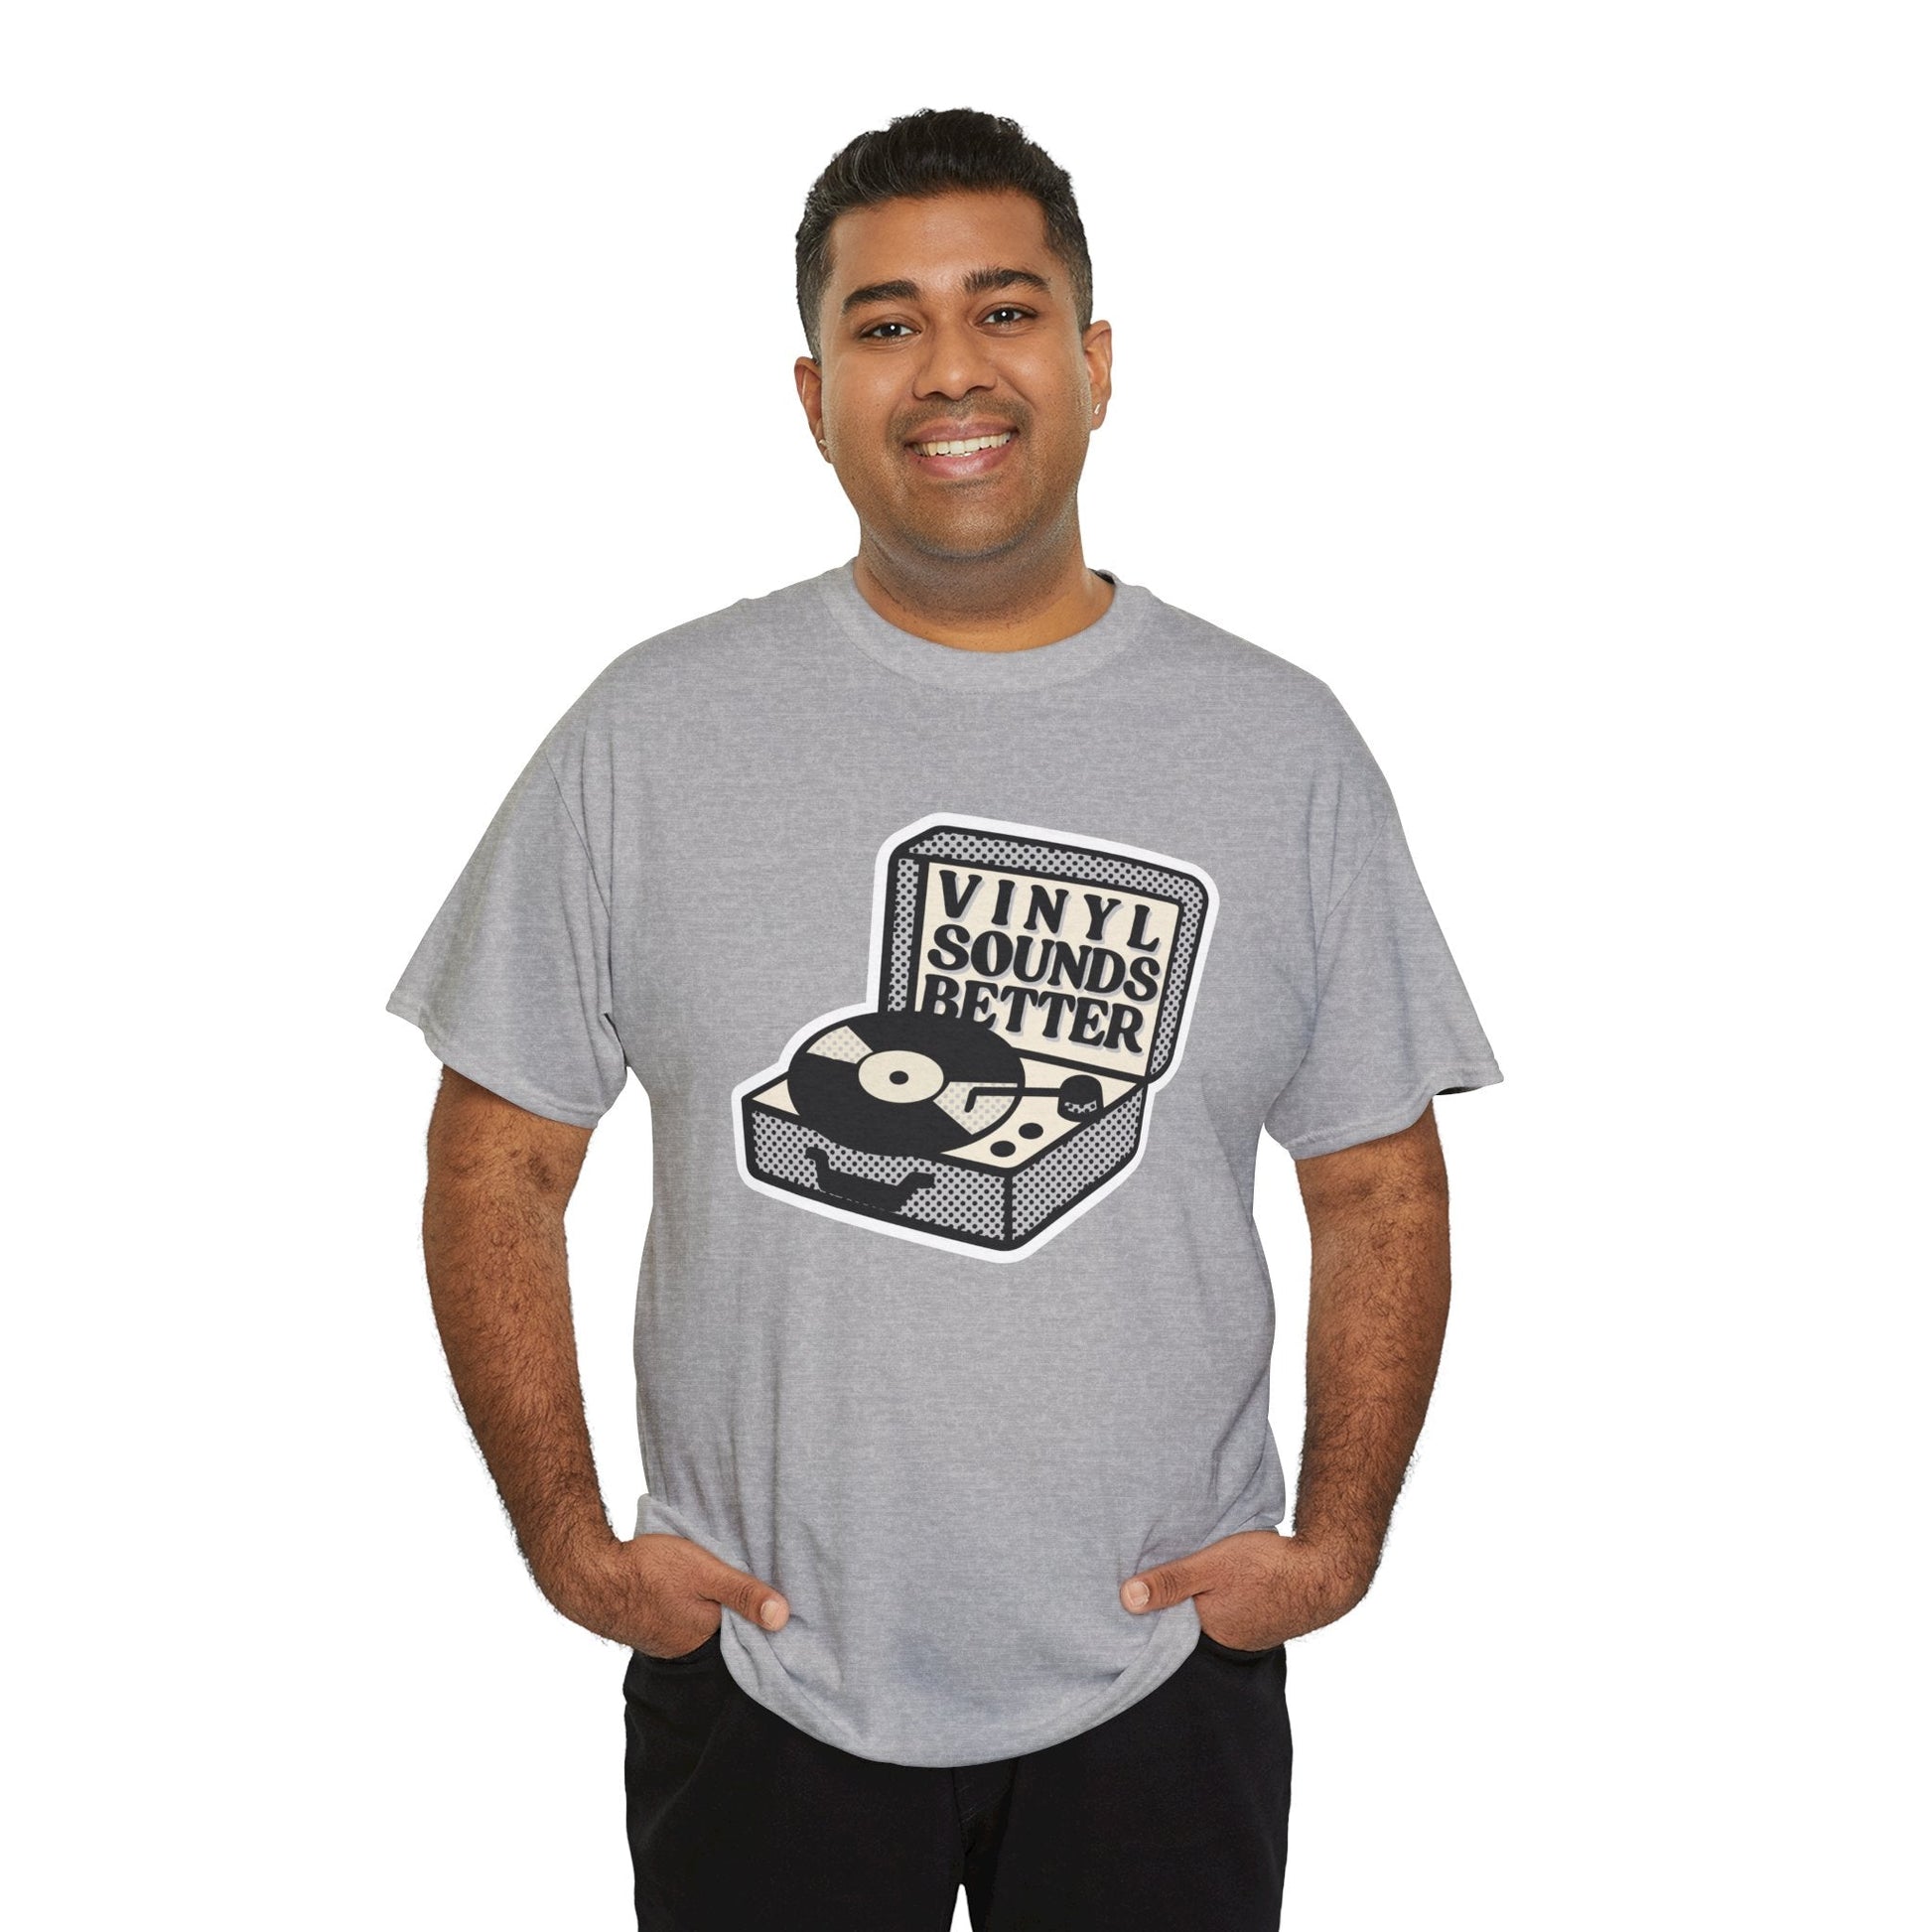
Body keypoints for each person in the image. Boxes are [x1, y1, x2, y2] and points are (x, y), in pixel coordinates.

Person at [387, 106, 1502, 1931]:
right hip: (759, 1661)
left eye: (1004, 308)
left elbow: (1378, 1181)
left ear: (1096, 361)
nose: (951, 369)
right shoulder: (647, 731)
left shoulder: (1279, 744)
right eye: (887, 324)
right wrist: (573, 1544)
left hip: (1164, 1660)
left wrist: (1336, 1542)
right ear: (813, 393)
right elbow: (494, 1161)